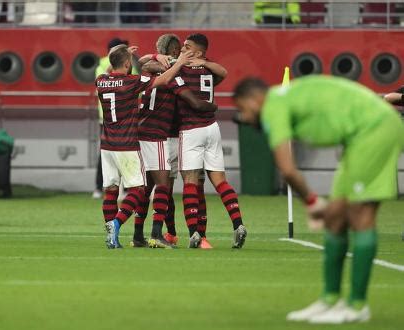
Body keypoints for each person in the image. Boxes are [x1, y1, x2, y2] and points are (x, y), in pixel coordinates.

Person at [232, 75, 404, 323]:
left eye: (242, 109)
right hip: (359, 135)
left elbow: (288, 169)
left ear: (254, 99)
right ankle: (329, 300)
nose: (244, 118)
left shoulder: (273, 106)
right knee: (334, 218)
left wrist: (311, 202)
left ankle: (357, 306)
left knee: (360, 215)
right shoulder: (283, 98)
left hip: (375, 129)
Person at [95, 44, 193, 249]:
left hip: (106, 145)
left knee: (111, 190)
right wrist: (181, 62)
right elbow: (163, 79)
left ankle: (110, 234)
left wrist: (124, 56)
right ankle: (116, 224)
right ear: (126, 63)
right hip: (126, 145)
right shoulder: (132, 82)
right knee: (139, 190)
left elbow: (111, 71)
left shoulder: (101, 80)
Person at [136, 33, 217, 249]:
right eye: (180, 49)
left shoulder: (154, 68)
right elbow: (194, 100)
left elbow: (142, 61)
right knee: (188, 187)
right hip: (174, 136)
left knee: (161, 188)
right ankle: (189, 234)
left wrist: (155, 56)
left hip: (165, 135)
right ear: (172, 52)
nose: (182, 52)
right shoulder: (172, 70)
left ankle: (167, 233)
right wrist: (212, 106)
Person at [176, 33, 247, 249]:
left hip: (191, 129)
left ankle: (194, 233)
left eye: (186, 47)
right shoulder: (208, 69)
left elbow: (153, 66)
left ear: (197, 53)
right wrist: (204, 62)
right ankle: (238, 225)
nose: (181, 49)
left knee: (190, 181)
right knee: (220, 181)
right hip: (212, 129)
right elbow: (223, 72)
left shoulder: (181, 70)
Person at [93, 37, 140, 199]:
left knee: (106, 153)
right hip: (114, 119)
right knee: (117, 154)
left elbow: (103, 80)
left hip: (108, 118)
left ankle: (106, 188)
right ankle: (102, 187)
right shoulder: (104, 63)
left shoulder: (102, 69)